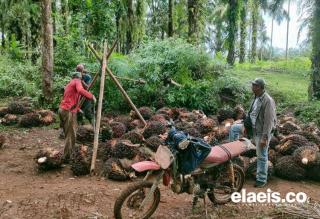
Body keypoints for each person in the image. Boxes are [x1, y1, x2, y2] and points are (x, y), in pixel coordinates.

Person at [229, 78, 276, 188]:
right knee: (234, 128)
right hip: (252, 128)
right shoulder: (256, 97)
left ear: (260, 87)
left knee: (261, 155)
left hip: (262, 131)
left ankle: (261, 179)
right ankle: (234, 153)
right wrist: (245, 125)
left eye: (254, 85)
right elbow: (251, 115)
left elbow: (269, 121)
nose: (252, 87)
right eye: (252, 84)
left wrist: (265, 137)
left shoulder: (268, 100)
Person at [59, 71, 96, 162]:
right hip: (68, 111)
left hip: (63, 110)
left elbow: (70, 98)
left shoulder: (69, 84)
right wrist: (91, 96)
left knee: (70, 133)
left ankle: (69, 153)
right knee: (71, 135)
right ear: (79, 78)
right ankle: (67, 157)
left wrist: (78, 109)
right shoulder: (76, 81)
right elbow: (80, 90)